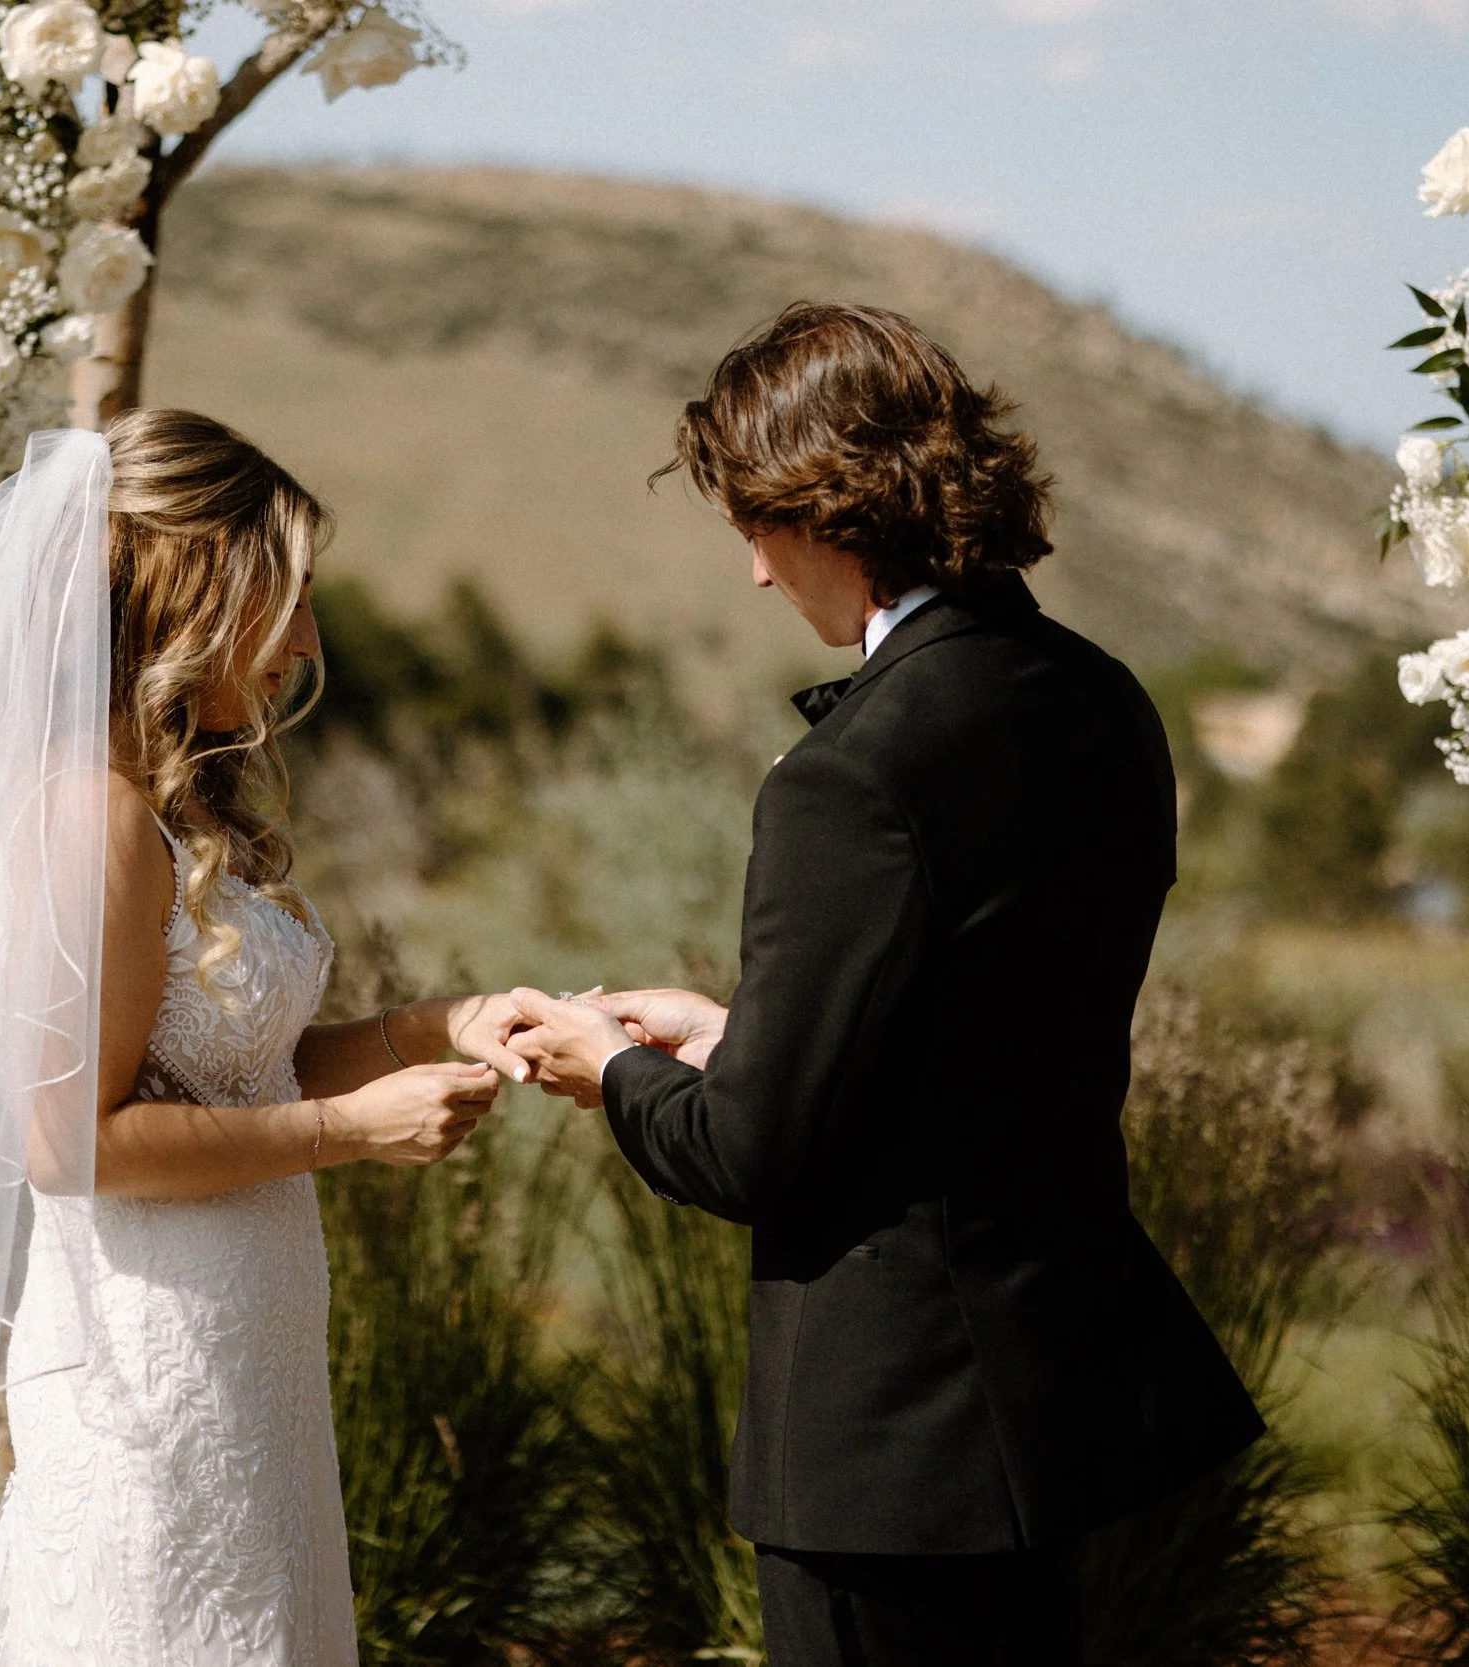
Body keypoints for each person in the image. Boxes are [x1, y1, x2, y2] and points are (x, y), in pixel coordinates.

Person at [0, 410, 531, 1667]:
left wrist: (434, 1027)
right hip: (148, 1373)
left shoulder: (175, 815)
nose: (303, 641)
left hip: (240, 1362)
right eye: (282, 599)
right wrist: (350, 1132)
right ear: (196, 590)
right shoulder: (95, 822)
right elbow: (74, 1140)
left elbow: (237, 1070)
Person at [508, 302, 1263, 1667]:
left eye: (756, 525)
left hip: (891, 1449)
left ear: (829, 508)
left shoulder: (853, 773)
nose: (751, 570)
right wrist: (745, 1029)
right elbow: (986, 1031)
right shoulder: (1102, 700)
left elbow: (746, 1151)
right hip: (1051, 1398)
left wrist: (608, 1067)